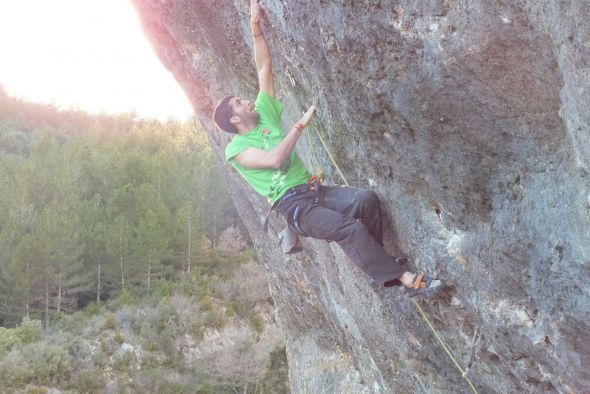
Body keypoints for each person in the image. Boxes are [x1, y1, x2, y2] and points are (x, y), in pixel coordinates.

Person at [212, 0, 444, 295]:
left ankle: (381, 266)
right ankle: (402, 279)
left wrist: (255, 28)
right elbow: (273, 159)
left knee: (367, 201)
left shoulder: (264, 112)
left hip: (314, 191)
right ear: (234, 119)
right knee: (350, 229)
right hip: (294, 207)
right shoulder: (237, 149)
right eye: (239, 103)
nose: (247, 101)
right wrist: (299, 125)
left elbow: (263, 67)